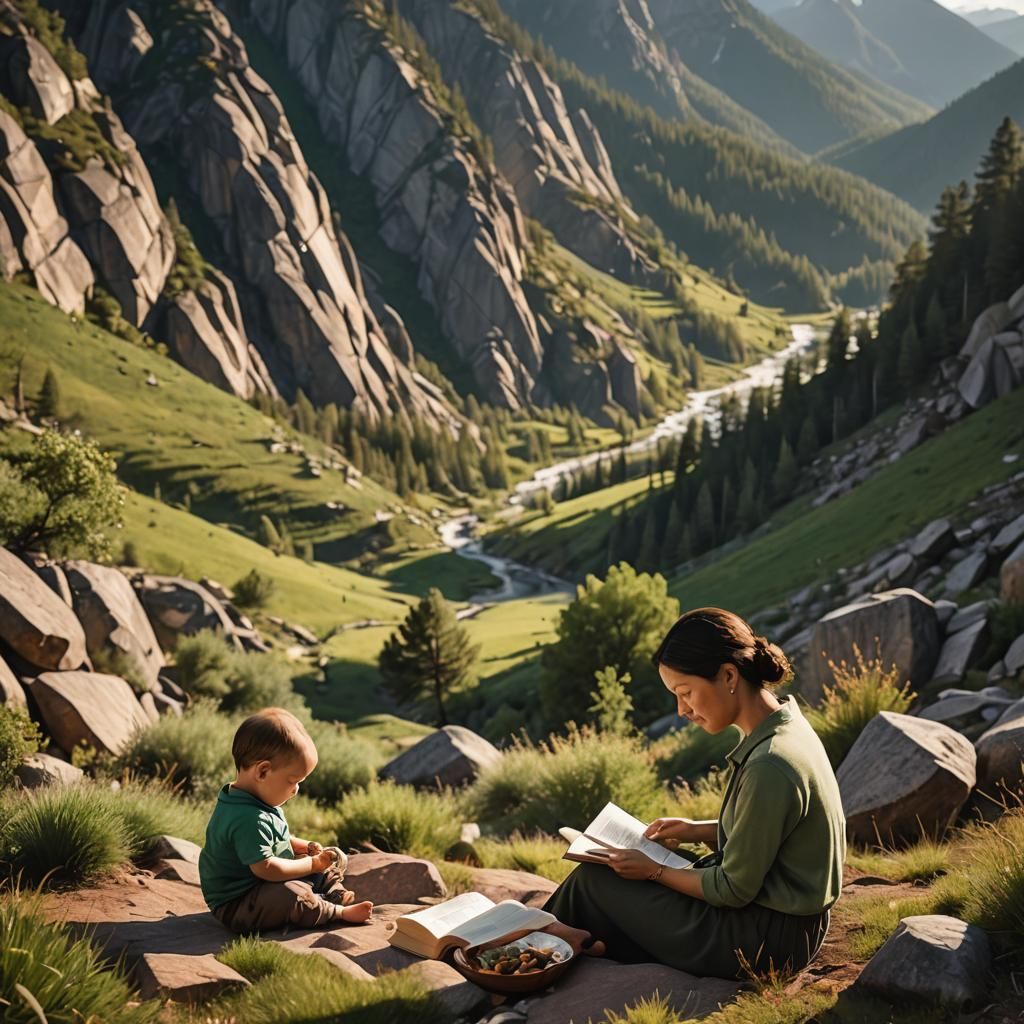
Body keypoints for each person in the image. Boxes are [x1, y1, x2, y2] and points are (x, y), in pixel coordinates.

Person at [543, 608, 846, 979]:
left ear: (729, 675)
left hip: (766, 942)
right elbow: (772, 827)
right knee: (640, 868)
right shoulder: (784, 726)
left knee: (596, 880)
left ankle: (529, 954)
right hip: (786, 924)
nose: (682, 710)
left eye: (685, 693)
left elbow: (731, 888)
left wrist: (653, 871)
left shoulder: (770, 763)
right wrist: (696, 829)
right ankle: (565, 946)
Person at [199, 707, 374, 933]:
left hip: (260, 884)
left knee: (314, 862)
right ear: (262, 772)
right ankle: (336, 912)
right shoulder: (248, 818)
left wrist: (304, 847)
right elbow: (267, 868)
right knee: (292, 894)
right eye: (293, 781)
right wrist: (313, 864)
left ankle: (335, 892)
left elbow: (278, 837)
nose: (296, 790)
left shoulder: (256, 801)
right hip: (238, 903)